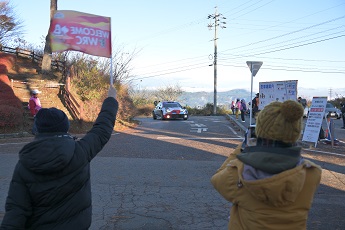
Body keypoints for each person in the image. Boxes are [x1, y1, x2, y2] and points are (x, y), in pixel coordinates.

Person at [1, 85, 118, 229]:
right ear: (65, 127)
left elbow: (16, 211)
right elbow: (102, 128)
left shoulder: (25, 164)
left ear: (36, 130)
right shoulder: (80, 151)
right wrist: (111, 99)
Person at [211, 100, 322, 230]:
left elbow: (217, 180)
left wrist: (242, 147)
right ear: (295, 132)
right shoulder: (312, 173)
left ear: (260, 131)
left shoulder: (240, 171)